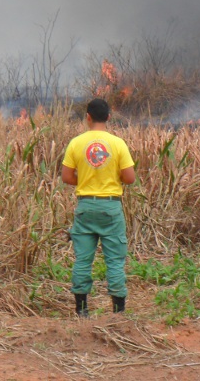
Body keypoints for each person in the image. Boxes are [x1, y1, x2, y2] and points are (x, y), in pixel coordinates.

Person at [61, 98, 136, 317]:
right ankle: (117, 313)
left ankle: (82, 311)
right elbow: (130, 178)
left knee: (83, 259)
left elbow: (66, 176)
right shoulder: (118, 143)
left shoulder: (76, 143)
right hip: (111, 208)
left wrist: (85, 181)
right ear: (109, 118)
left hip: (85, 207)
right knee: (114, 260)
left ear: (88, 117)